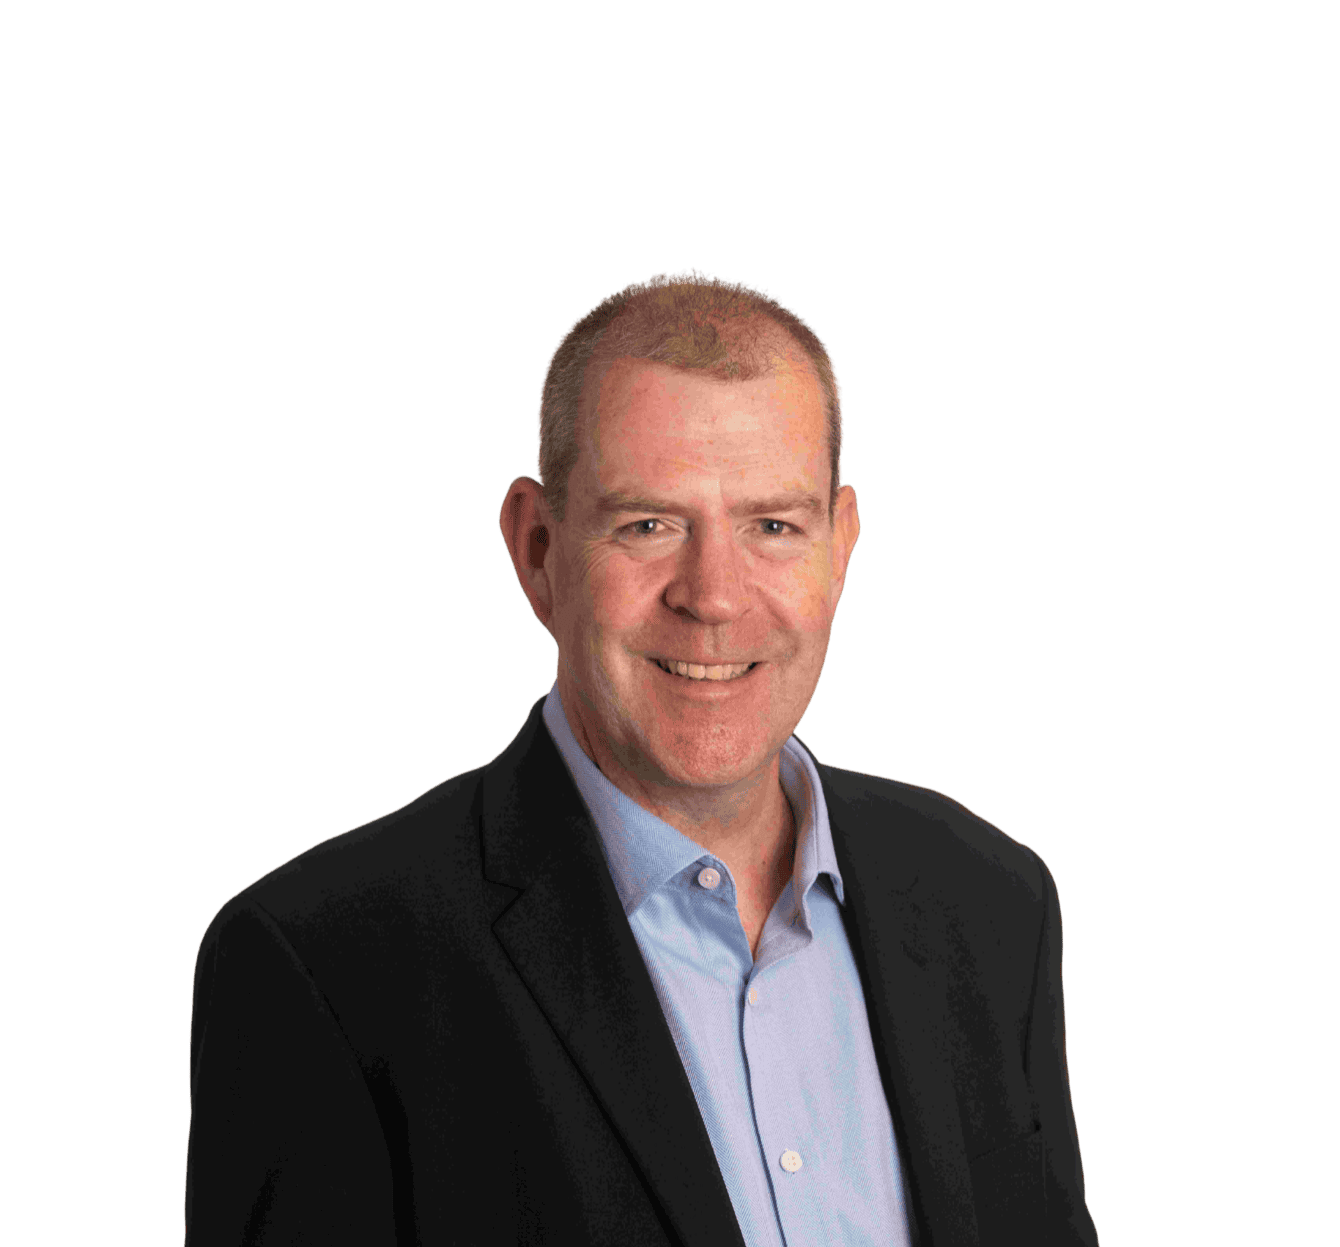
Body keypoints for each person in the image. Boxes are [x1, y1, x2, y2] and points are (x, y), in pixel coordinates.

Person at [184, 268, 1101, 1246]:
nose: (712, 595)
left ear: (839, 547)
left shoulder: (989, 904)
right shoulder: (327, 966)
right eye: (648, 525)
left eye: (772, 526)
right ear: (537, 548)